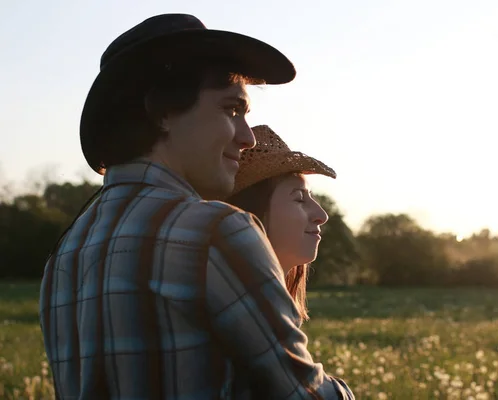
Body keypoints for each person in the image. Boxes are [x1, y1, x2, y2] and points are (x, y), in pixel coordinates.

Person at [39, 13, 354, 400]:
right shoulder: (214, 231)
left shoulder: (66, 252)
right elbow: (303, 395)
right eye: (231, 110)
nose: (246, 138)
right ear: (164, 111)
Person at [226, 125, 336, 323]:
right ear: (252, 211)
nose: (322, 215)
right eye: (299, 199)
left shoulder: (268, 304)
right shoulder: (248, 312)